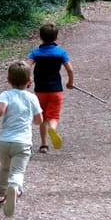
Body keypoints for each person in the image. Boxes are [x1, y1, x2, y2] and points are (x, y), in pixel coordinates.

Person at [0, 61, 43, 217]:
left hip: (4, 141)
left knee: (4, 167)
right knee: (17, 171)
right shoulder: (32, 98)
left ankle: (1, 194)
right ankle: (15, 186)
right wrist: (35, 121)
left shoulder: (6, 95)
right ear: (29, 81)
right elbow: (39, 120)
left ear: (8, 79)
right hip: (22, 142)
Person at [27, 22, 74, 154]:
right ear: (56, 37)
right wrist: (70, 83)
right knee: (53, 116)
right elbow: (70, 69)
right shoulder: (60, 53)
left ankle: (43, 145)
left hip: (40, 90)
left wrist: (27, 79)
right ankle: (52, 128)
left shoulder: (35, 53)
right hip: (56, 90)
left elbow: (26, 66)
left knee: (42, 117)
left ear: (40, 37)